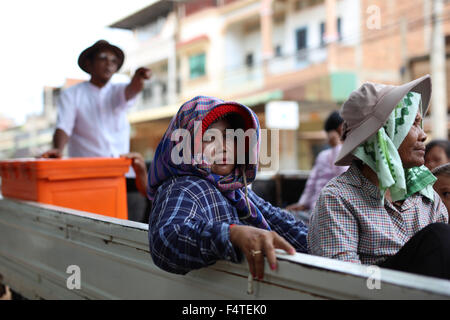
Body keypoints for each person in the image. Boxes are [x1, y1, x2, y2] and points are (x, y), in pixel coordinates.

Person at [147, 96, 308, 279]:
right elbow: (166, 240)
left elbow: (280, 222)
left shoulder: (234, 190)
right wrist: (231, 234)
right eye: (209, 138)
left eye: (231, 137)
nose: (224, 147)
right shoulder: (184, 188)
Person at [308, 75, 450, 280]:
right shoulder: (338, 198)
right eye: (413, 123)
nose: (423, 135)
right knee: (438, 237)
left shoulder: (427, 197)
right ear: (382, 135)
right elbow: (343, 282)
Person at [41, 40, 151, 159]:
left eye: (114, 61)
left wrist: (138, 77)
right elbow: (63, 126)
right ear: (89, 63)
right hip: (88, 171)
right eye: (103, 58)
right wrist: (58, 150)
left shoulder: (119, 90)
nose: (109, 63)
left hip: (121, 168)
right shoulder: (72, 94)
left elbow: (132, 89)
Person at [286, 111, 349, 222]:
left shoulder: (349, 154)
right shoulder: (322, 156)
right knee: (284, 215)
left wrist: (337, 147)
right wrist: (302, 204)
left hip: (334, 211)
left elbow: (344, 176)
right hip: (314, 210)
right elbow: (311, 184)